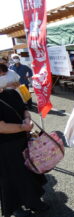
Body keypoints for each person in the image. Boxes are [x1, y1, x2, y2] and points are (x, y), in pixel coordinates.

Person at [0, 70, 49, 217]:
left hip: (23, 142)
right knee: (11, 178)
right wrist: (22, 127)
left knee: (29, 172)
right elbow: (1, 126)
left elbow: (24, 110)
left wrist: (27, 120)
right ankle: (15, 207)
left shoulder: (12, 93)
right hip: (5, 148)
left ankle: (34, 202)